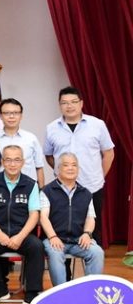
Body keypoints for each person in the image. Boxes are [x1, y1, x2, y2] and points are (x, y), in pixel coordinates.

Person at [44, 86, 114, 245]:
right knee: (62, 228)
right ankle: (64, 262)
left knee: (93, 231)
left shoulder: (97, 125)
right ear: (59, 105)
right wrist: (62, 173)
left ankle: (94, 261)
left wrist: (99, 175)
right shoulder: (51, 128)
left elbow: (109, 153)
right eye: (64, 103)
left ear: (81, 103)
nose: (69, 106)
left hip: (92, 185)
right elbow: (49, 156)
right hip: (63, 189)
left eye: (74, 102)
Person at [0, 145, 44, 304]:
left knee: (37, 247)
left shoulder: (31, 184)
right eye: (8, 160)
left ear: (23, 162)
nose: (12, 164)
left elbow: (34, 214)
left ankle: (32, 291)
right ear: (2, 162)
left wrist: (20, 236)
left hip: (21, 233)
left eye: (17, 160)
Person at [40, 153, 104, 286]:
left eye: (74, 165)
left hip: (77, 240)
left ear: (78, 169)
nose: (70, 168)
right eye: (66, 165)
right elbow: (43, 217)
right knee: (55, 254)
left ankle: (91, 291)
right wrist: (52, 237)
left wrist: (87, 234)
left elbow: (90, 218)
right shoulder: (47, 190)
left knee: (97, 252)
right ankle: (61, 293)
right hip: (54, 239)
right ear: (58, 168)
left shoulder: (86, 193)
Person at [0, 98, 45, 188]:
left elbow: (39, 167)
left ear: (21, 116)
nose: (11, 116)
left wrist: (41, 191)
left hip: (28, 189)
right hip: (1, 189)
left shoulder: (31, 138)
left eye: (15, 113)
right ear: (0, 116)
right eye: (6, 113)